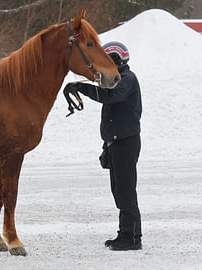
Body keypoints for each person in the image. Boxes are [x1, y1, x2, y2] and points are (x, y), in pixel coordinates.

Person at [63, 41, 142, 251]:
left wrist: (82, 87)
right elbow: (106, 93)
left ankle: (132, 238)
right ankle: (127, 233)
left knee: (126, 191)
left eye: (108, 59)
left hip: (126, 142)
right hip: (115, 142)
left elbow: (111, 96)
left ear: (117, 59)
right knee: (119, 191)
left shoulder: (127, 79)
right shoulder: (115, 80)